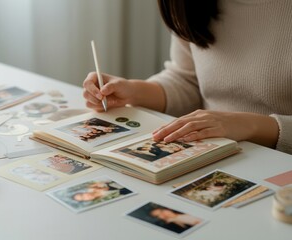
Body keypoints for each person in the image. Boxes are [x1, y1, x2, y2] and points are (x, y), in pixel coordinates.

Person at [83, 0, 292, 155]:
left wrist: (250, 125)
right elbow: (188, 79)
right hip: (212, 155)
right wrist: (134, 91)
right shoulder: (189, 5)